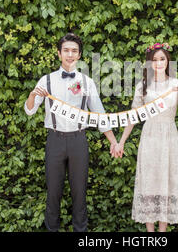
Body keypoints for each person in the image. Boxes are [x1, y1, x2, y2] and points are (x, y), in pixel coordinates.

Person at [24, 32, 119, 232]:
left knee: (79, 193)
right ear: (59, 54)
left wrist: (113, 141)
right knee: (53, 193)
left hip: (78, 141)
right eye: (66, 50)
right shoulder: (46, 80)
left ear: (79, 55)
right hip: (55, 140)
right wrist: (32, 95)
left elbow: (100, 114)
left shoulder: (87, 82)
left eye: (74, 51)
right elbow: (30, 110)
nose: (70, 54)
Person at [115, 42, 178, 232]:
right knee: (149, 182)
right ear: (149, 63)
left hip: (169, 137)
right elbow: (133, 116)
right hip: (149, 136)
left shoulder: (177, 84)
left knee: (167, 180)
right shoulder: (143, 86)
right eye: (154, 60)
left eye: (162, 59)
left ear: (168, 61)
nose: (158, 63)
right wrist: (121, 141)